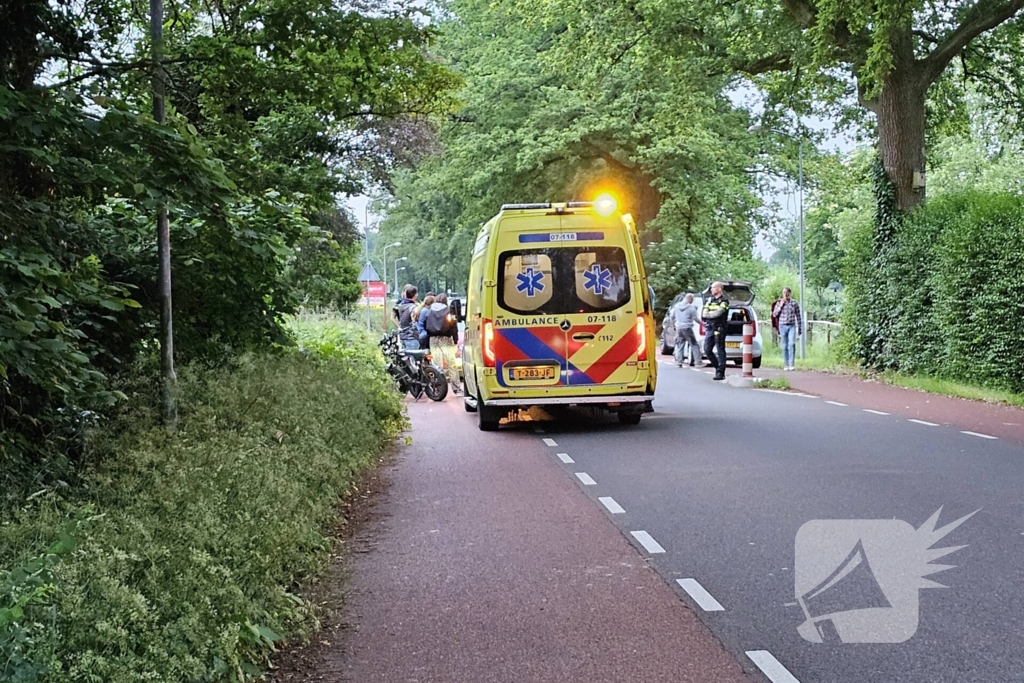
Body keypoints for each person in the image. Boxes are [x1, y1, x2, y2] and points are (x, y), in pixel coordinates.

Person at [422, 293, 461, 394]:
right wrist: (455, 340)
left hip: (433, 339)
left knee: (436, 364)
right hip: (446, 339)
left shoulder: (429, 310)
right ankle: (456, 387)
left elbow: (426, 325)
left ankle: (438, 387)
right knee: (451, 364)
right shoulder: (448, 310)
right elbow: (453, 326)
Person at [701, 281, 730, 380]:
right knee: (707, 350)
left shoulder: (724, 301)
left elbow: (718, 313)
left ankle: (720, 372)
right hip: (710, 327)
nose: (711, 289)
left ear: (719, 289)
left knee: (720, 349)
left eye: (713, 287)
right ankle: (718, 367)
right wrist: (709, 315)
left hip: (720, 328)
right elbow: (704, 313)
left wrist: (709, 314)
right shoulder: (710, 300)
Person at [772, 287, 803, 371]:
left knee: (792, 343)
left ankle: (791, 364)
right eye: (784, 292)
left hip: (792, 325)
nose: (785, 294)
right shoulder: (779, 303)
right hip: (782, 325)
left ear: (790, 293)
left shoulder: (794, 303)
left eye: (787, 292)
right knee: (784, 345)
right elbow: (774, 314)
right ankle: (786, 364)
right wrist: (780, 306)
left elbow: (798, 316)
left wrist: (800, 328)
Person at [673, 293, 700, 367]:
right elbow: (695, 318)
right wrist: (702, 323)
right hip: (687, 328)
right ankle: (698, 362)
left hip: (679, 328)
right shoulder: (691, 308)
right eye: (692, 300)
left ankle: (678, 363)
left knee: (680, 345)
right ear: (690, 299)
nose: (692, 301)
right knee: (694, 345)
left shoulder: (676, 306)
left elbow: (672, 317)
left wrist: (674, 326)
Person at [393, 285, 419, 351]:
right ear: (415, 295)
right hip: (411, 336)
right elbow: (414, 321)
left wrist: (400, 327)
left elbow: (392, 317)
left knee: (405, 358)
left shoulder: (400, 305)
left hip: (402, 336)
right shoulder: (413, 307)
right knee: (413, 358)